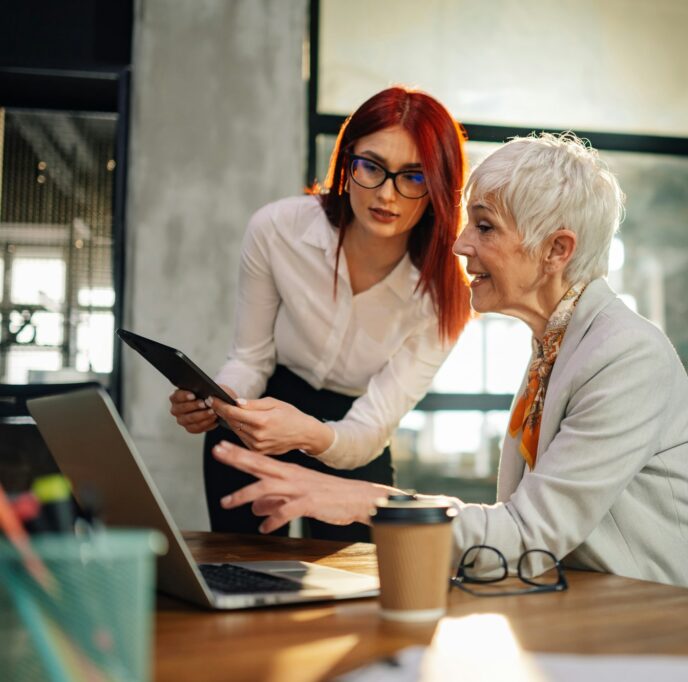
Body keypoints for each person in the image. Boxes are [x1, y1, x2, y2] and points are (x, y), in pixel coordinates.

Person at [210, 133, 688, 596]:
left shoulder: (626, 356)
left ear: (557, 249)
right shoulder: (555, 346)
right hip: (595, 609)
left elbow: (525, 537)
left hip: (675, 624)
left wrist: (362, 499)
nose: (460, 244)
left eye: (484, 228)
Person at [168, 87, 472, 542]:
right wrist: (218, 401)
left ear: (438, 188)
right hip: (264, 408)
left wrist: (307, 433)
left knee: (349, 594)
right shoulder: (278, 229)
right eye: (371, 167)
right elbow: (250, 359)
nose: (387, 195)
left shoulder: (446, 296)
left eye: (413, 177)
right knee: (242, 573)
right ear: (347, 161)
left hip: (355, 431)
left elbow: (370, 429)